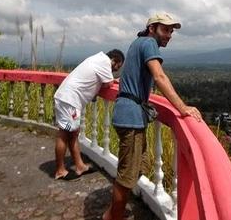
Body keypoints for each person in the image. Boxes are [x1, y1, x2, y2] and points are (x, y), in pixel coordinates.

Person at [103, 13, 202, 220]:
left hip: (131, 116)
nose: (169, 35)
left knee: (144, 163)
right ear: (152, 28)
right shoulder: (149, 43)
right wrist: (183, 107)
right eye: (165, 29)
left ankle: (113, 212)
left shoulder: (137, 43)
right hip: (130, 118)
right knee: (127, 176)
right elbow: (159, 76)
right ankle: (113, 217)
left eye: (171, 31)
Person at [54, 49, 125, 180]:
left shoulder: (97, 59)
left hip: (66, 97)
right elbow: (108, 83)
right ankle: (60, 170)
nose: (115, 70)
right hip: (70, 100)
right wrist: (113, 80)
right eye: (117, 67)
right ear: (114, 60)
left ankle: (80, 165)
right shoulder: (104, 62)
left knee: (73, 133)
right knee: (64, 134)